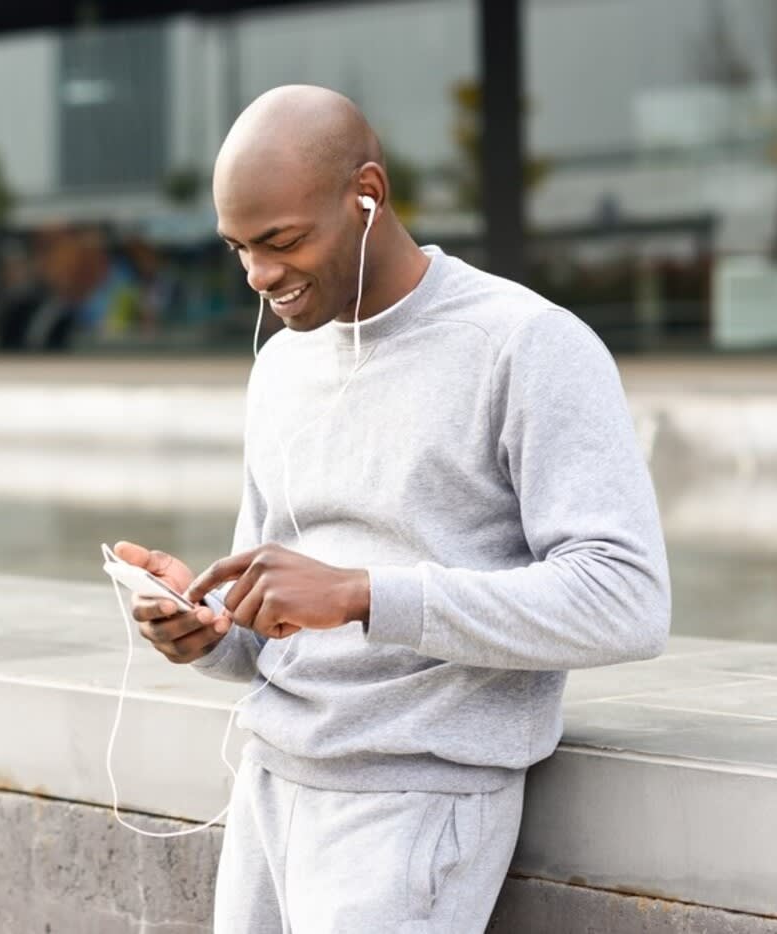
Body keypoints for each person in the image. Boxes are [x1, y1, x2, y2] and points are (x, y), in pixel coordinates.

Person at [114, 85, 670, 933]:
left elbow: (627, 601)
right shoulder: (283, 367)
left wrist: (367, 593)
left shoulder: (527, 345)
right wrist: (209, 627)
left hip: (415, 804)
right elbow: (278, 630)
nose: (260, 278)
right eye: (238, 249)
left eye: (283, 241)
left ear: (367, 194)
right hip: (269, 787)